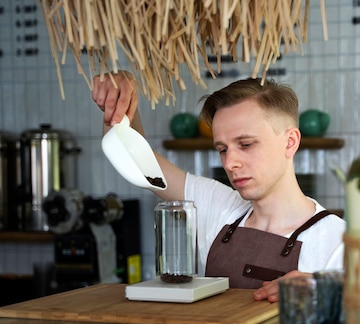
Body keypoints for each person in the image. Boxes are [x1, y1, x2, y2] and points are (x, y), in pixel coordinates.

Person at [92, 72, 345, 303]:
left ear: (290, 142)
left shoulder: (336, 240)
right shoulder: (219, 206)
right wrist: (123, 107)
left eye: (245, 144)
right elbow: (140, 164)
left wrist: (329, 296)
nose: (230, 163)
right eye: (222, 149)